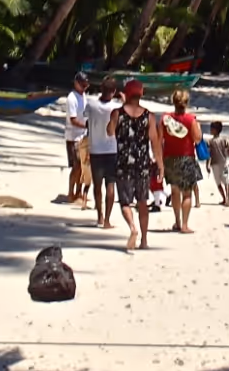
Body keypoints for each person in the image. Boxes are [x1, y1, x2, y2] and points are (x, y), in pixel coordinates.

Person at [108, 79, 164, 251]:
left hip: (123, 163)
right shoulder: (149, 116)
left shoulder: (117, 113)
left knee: (125, 202)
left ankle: (133, 227)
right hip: (142, 164)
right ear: (141, 94)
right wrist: (160, 164)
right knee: (142, 201)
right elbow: (155, 142)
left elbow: (109, 132)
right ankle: (144, 240)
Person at [160, 88, 203, 234]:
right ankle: (185, 225)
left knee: (174, 191)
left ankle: (177, 221)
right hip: (186, 157)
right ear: (186, 103)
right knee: (187, 193)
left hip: (169, 158)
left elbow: (160, 139)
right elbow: (197, 139)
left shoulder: (166, 119)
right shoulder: (191, 119)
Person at [84, 76, 122, 229]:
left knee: (97, 185)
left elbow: (85, 120)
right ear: (113, 92)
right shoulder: (116, 107)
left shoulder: (91, 104)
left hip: (95, 149)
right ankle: (107, 219)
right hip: (111, 150)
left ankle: (99, 216)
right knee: (110, 185)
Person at [61, 72, 92, 207]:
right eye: (82, 85)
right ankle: (70, 192)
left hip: (83, 135)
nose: (85, 87)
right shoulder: (71, 98)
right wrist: (86, 125)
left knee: (84, 166)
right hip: (73, 137)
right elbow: (73, 120)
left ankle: (79, 192)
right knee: (76, 166)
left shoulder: (83, 95)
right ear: (76, 83)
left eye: (86, 85)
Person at [205, 120, 229, 206]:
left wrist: (207, 165)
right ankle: (227, 199)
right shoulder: (224, 140)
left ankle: (225, 198)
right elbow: (228, 150)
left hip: (214, 164)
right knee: (226, 181)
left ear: (215, 130)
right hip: (223, 163)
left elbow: (208, 155)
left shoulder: (209, 142)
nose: (210, 130)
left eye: (211, 128)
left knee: (218, 183)